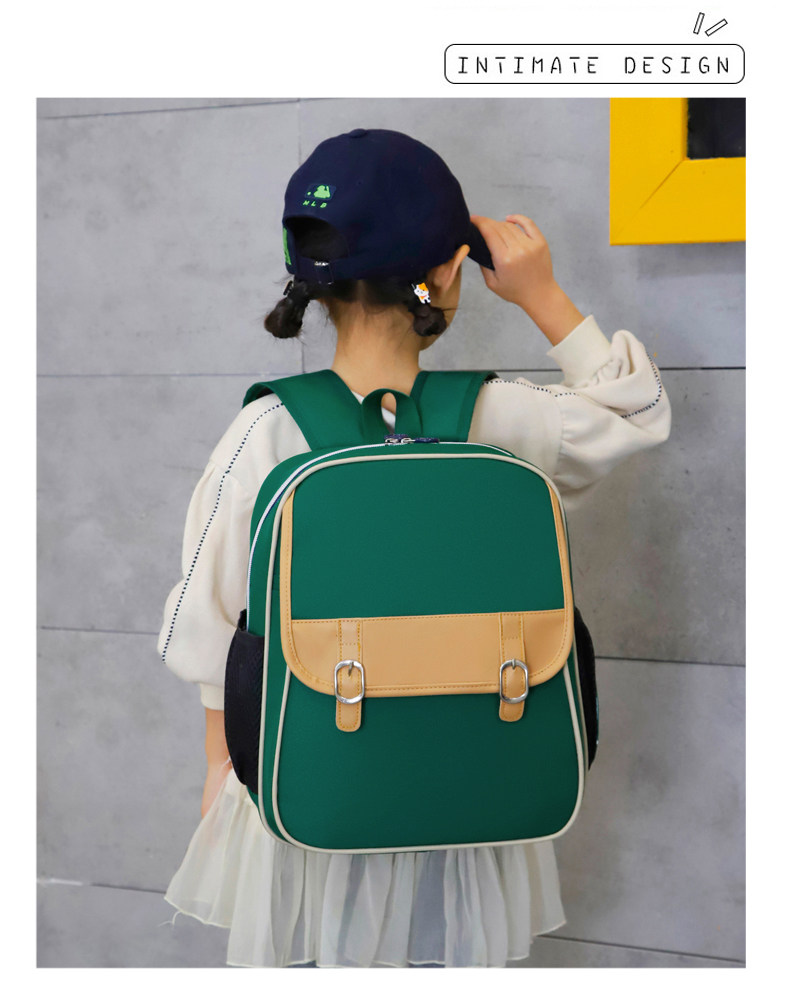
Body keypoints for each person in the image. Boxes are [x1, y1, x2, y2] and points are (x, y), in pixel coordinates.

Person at [158, 128, 671, 968]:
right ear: (449, 273)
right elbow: (638, 413)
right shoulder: (499, 416)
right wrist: (542, 294)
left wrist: (221, 768)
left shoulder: (266, 429)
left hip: (312, 783)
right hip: (474, 787)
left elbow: (210, 629)